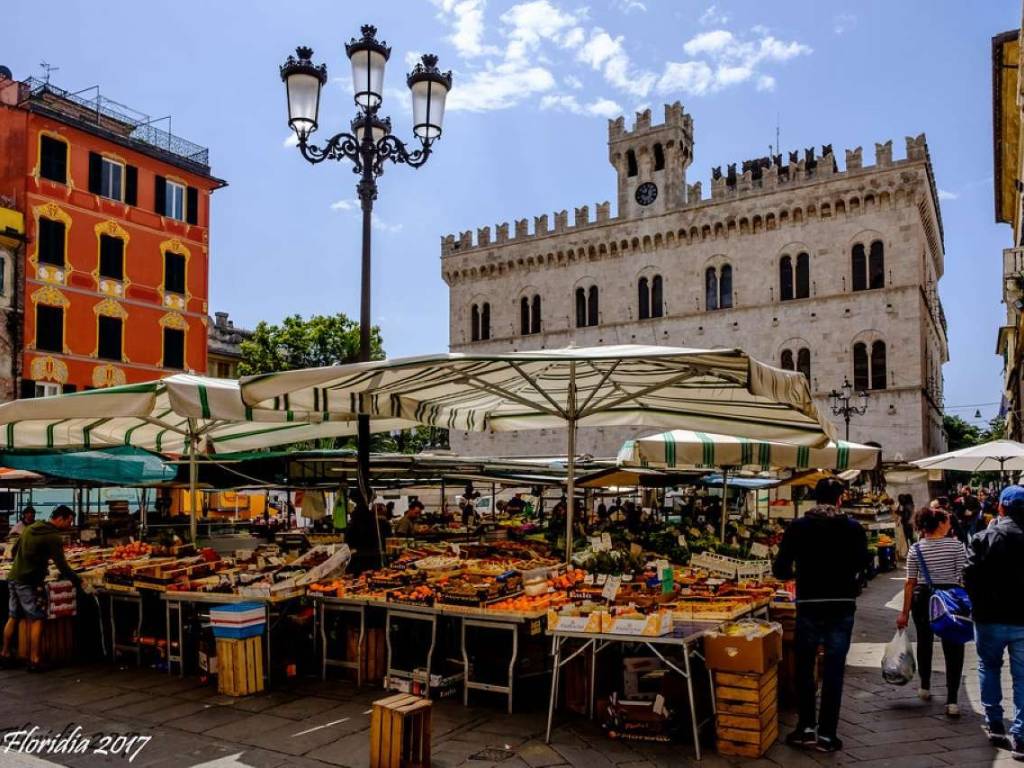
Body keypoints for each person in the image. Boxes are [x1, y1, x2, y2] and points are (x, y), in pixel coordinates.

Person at [773, 477, 869, 753]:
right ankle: (828, 734)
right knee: (834, 669)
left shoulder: (798, 527)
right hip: (841, 604)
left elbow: (781, 568)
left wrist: (797, 574)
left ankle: (805, 728)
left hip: (809, 603)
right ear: (840, 499)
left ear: (815, 498)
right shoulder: (852, 528)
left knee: (805, 667)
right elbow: (864, 564)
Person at [963, 485, 1024, 758]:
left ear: (1000, 507)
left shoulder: (983, 537)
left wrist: (980, 602)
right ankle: (1021, 735)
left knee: (989, 667)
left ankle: (996, 723)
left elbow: (969, 575)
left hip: (989, 617)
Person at [896, 506, 966, 717]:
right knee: (953, 645)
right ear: (940, 524)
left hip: (922, 597)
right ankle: (952, 700)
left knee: (924, 641)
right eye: (947, 521)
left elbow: (910, 583)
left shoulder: (916, 549)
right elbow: (962, 577)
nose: (950, 524)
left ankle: (925, 686)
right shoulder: (956, 546)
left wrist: (904, 613)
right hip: (950, 597)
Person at [1, 505, 82, 671]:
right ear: (60, 518)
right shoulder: (52, 536)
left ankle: (5, 654)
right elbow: (62, 565)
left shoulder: (31, 528)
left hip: (14, 577)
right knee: (37, 617)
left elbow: (15, 550)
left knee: (13, 615)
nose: (70, 524)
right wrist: (77, 580)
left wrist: (28, 560)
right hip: (28, 580)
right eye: (69, 521)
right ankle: (34, 659)